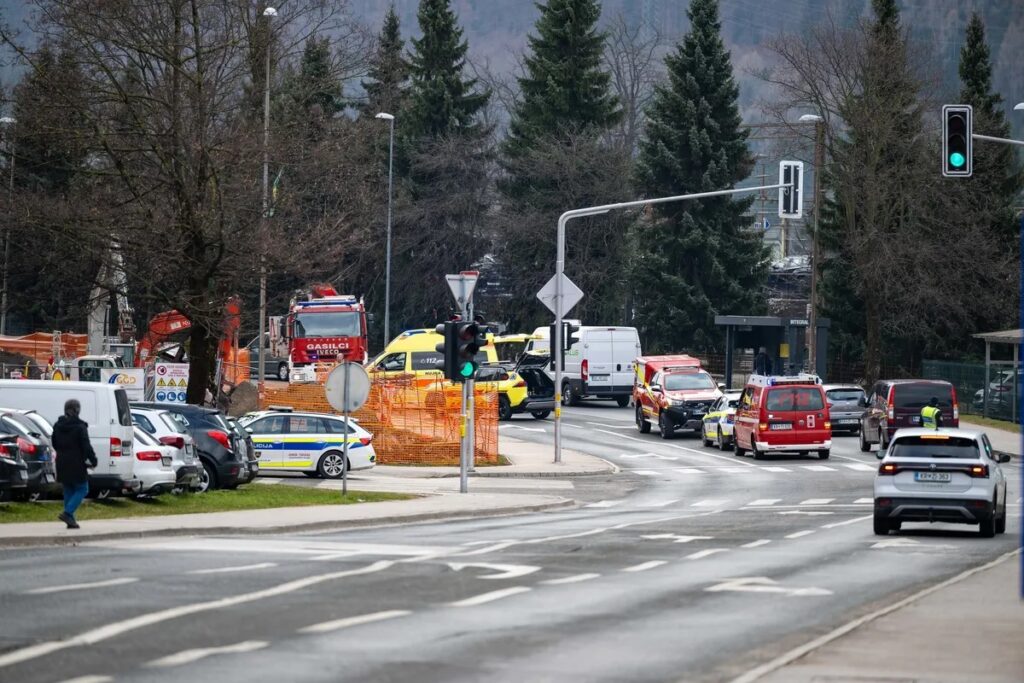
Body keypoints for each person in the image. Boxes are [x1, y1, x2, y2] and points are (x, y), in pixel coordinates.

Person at [51, 399, 97, 529]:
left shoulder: (57, 425)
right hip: (77, 462)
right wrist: (93, 460)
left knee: (69, 489)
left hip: (62, 461)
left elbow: (54, 442)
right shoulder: (80, 427)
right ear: (77, 410)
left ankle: (70, 520)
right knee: (83, 488)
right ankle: (67, 513)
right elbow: (86, 446)